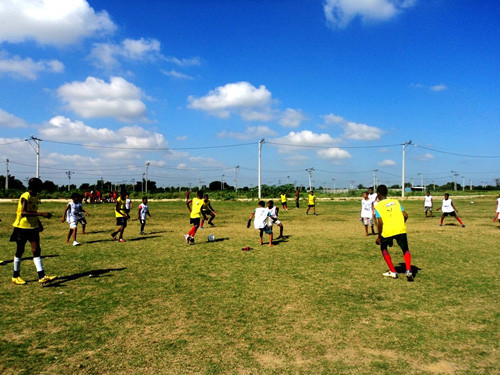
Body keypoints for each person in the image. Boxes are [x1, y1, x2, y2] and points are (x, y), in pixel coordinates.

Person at [10, 177, 57, 285]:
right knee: (20, 250)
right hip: (21, 227)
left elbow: (33, 211)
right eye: (39, 186)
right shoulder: (25, 196)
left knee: (36, 249)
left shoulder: (37, 196)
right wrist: (42, 214)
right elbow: (24, 212)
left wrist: (39, 223)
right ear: (34, 186)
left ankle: (42, 276)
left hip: (33, 227)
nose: (41, 188)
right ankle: (15, 276)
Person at [374, 185, 414, 281]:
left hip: (387, 231)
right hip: (400, 229)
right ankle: (408, 270)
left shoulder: (378, 206)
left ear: (378, 194)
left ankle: (393, 271)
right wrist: (400, 223)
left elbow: (379, 222)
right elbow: (405, 215)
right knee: (405, 249)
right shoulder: (395, 202)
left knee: (383, 248)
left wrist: (379, 236)